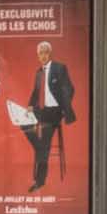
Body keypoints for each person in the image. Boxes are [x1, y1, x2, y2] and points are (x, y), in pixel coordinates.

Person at [24, 40, 77, 193]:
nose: (43, 56)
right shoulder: (39, 72)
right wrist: (30, 106)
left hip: (54, 112)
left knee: (44, 143)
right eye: (40, 53)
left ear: (50, 53)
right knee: (22, 121)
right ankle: (39, 147)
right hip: (41, 110)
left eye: (45, 52)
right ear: (38, 56)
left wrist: (63, 108)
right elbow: (35, 92)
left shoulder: (59, 68)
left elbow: (70, 89)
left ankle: (39, 181)